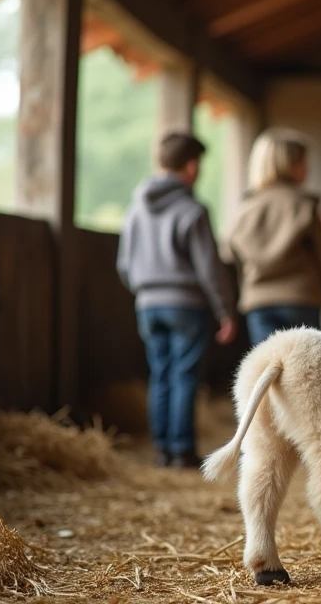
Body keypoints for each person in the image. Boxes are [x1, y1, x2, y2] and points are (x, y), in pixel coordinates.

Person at [117, 131, 237, 469]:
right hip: (186, 303)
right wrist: (225, 310)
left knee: (160, 374)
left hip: (147, 302)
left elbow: (124, 263)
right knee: (184, 375)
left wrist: (144, 292)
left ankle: (162, 450)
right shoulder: (193, 210)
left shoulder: (136, 208)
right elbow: (209, 268)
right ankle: (182, 449)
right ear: (191, 165)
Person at [222, 127, 321, 346]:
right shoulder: (305, 204)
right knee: (305, 367)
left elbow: (233, 252)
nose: (308, 169)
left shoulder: (246, 207)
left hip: (258, 299)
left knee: (267, 367)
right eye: (304, 163)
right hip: (302, 298)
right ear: (291, 166)